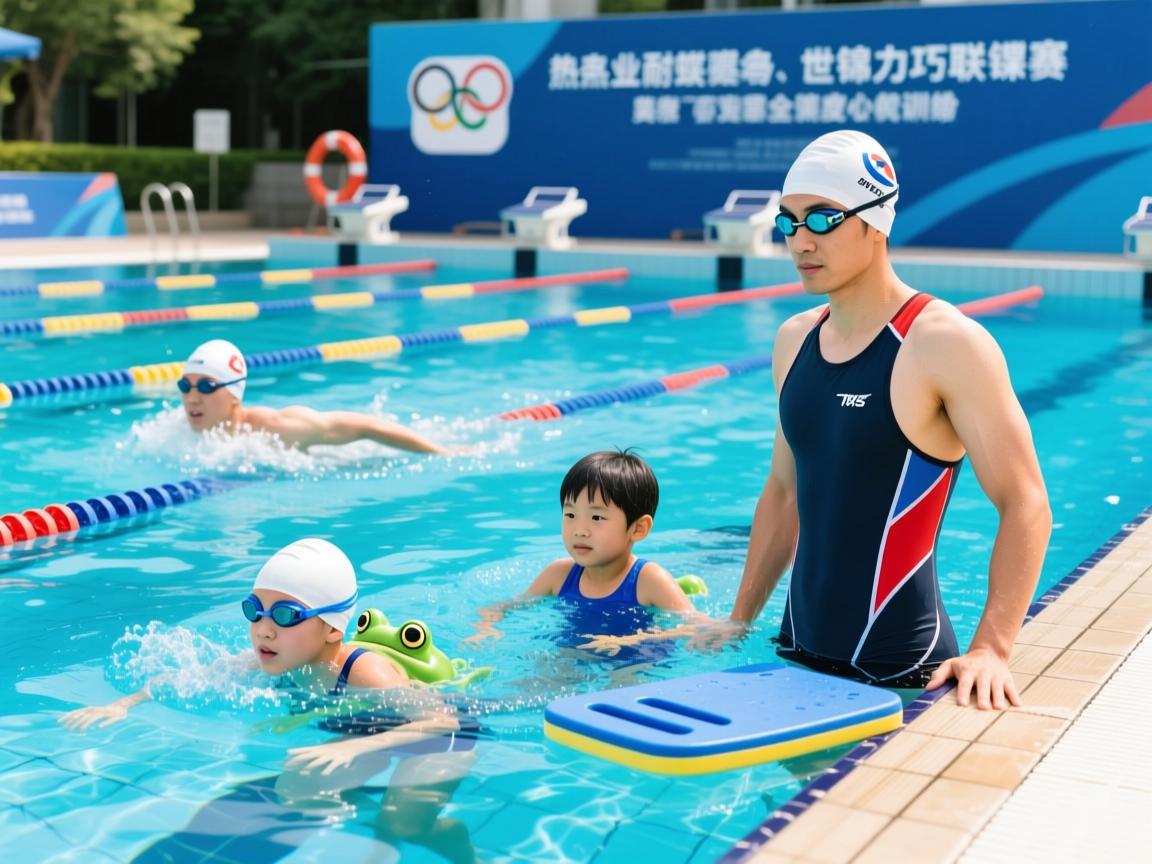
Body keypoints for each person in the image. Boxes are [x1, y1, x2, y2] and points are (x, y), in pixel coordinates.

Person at [708, 129, 1051, 710]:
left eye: (822, 219)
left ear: (877, 222)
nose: (800, 241)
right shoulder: (795, 341)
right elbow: (784, 492)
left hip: (901, 672)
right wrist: (740, 620)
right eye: (788, 222)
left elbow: (1027, 503)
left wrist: (992, 648)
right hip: (794, 654)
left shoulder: (942, 342)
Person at [59, 538, 478, 862]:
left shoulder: (366, 674)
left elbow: (442, 722)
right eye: (254, 610)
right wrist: (123, 704)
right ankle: (367, 804)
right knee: (297, 785)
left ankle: (449, 836)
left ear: (332, 628)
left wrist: (356, 746)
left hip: (437, 733)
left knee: (403, 827)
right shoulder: (273, 656)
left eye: (285, 616)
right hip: (364, 729)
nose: (263, 629)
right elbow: (187, 678)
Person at [467, 450, 695, 645]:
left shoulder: (649, 580)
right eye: (571, 514)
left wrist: (628, 640)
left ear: (638, 528)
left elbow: (696, 627)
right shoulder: (559, 575)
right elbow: (502, 607)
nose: (580, 530)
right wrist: (486, 627)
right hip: (576, 650)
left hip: (636, 657)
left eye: (596, 517)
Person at [177, 338, 451, 454]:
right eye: (185, 386)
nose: (192, 398)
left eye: (206, 387)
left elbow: (368, 426)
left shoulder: (277, 428)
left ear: (235, 393)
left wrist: (438, 451)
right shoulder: (175, 431)